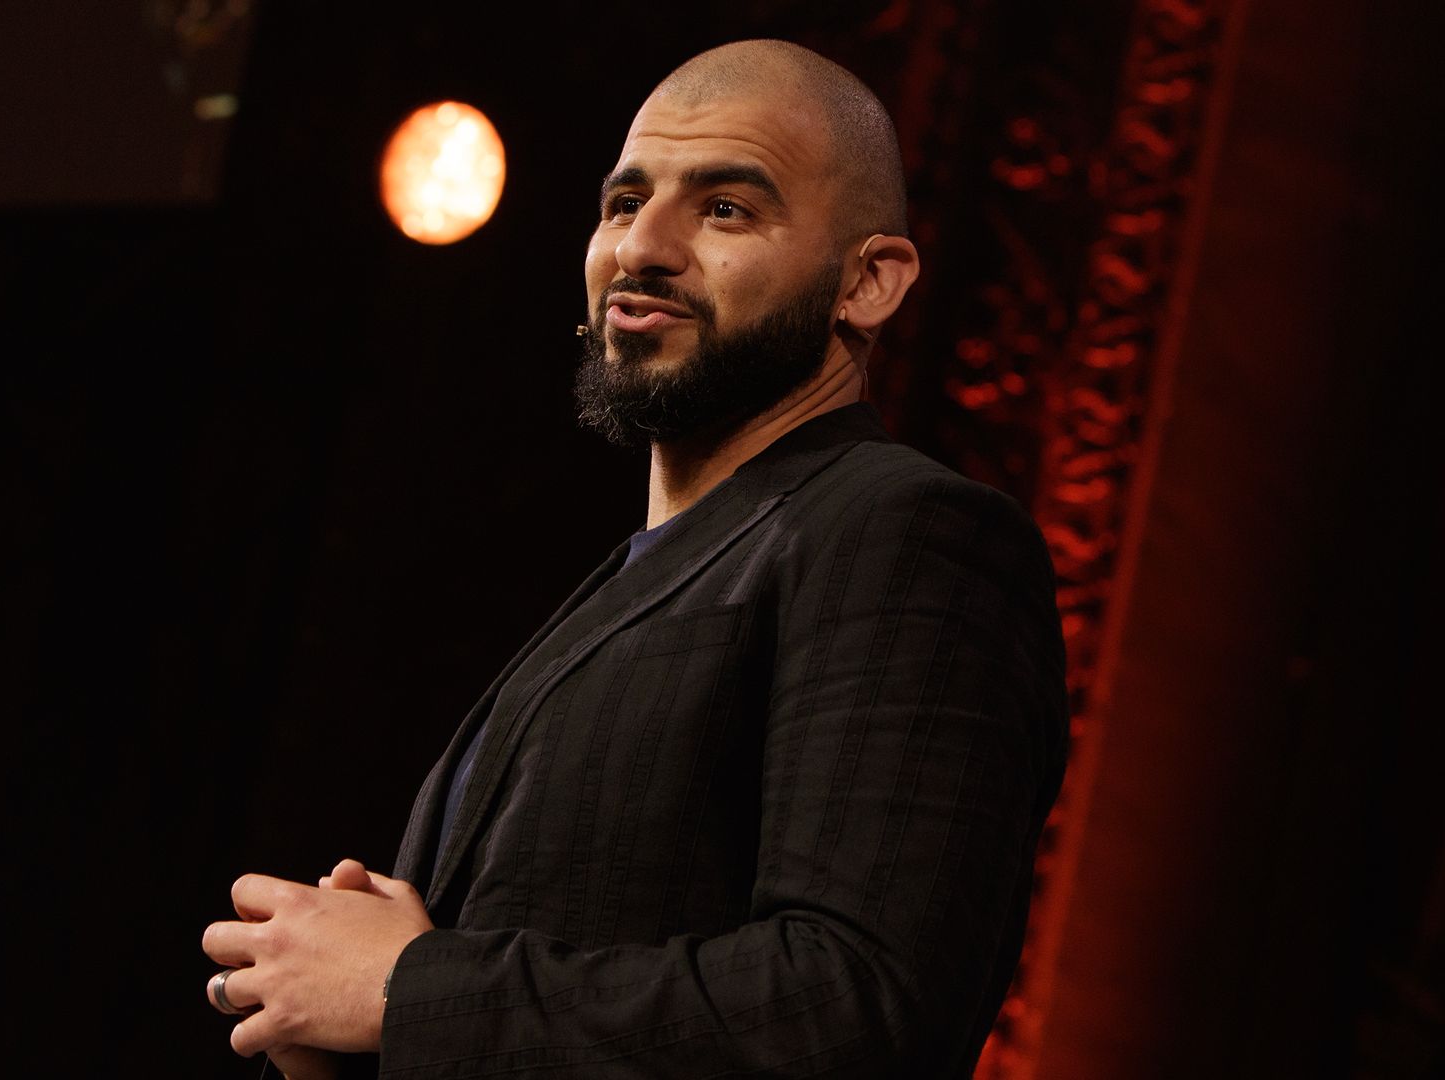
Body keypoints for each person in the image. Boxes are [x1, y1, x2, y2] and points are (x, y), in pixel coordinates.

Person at [201, 39, 1068, 1079]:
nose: (640, 248)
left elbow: (864, 1004)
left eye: (725, 209)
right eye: (623, 202)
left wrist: (412, 990)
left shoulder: (906, 533)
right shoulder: (633, 581)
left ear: (870, 282)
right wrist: (350, 1032)